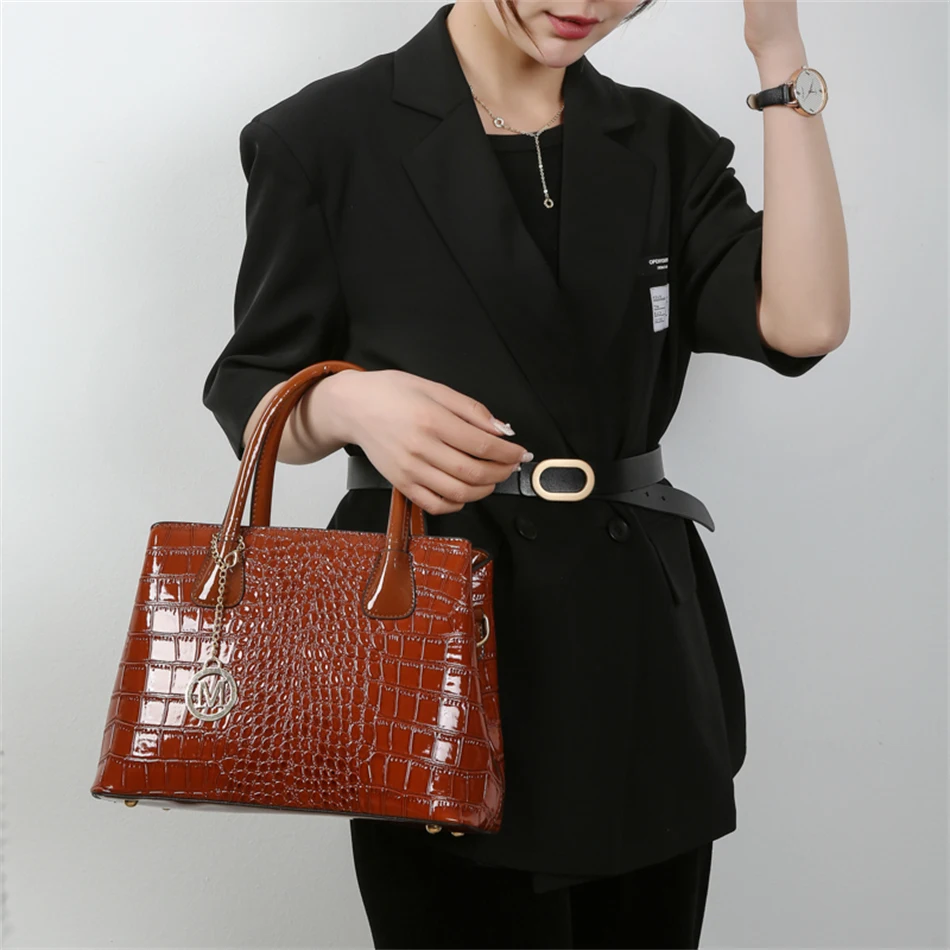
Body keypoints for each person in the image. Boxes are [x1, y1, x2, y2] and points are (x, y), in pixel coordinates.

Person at [202, 1, 849, 946]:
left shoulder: (659, 141)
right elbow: (250, 384)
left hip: (637, 646)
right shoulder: (323, 135)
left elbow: (805, 322)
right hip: (431, 653)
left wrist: (780, 53)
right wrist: (350, 402)